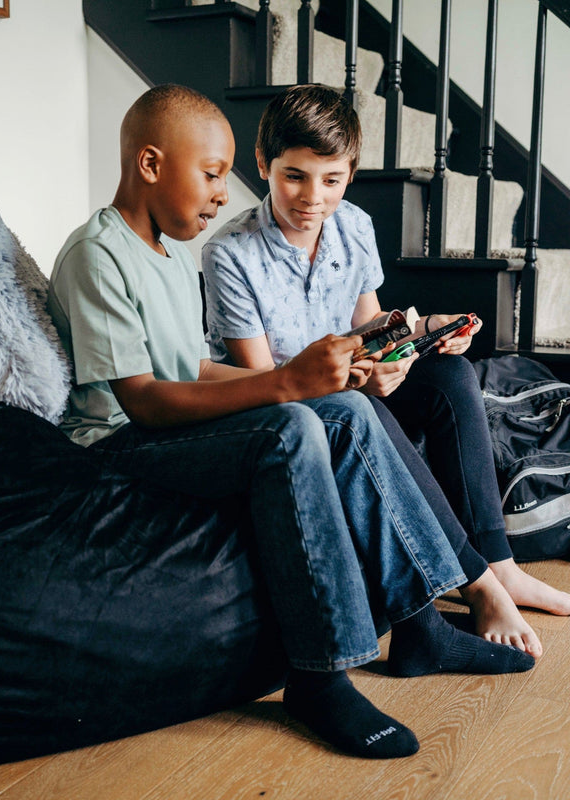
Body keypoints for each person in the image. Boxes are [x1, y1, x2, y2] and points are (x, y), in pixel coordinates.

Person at [47, 84, 534, 760]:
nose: (223, 193)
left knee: (342, 412)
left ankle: (420, 625)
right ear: (151, 165)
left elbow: (191, 368)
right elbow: (145, 402)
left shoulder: (165, 249)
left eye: (224, 175)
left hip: (163, 424)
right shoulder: (99, 254)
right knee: (295, 426)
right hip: (118, 445)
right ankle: (318, 676)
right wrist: (282, 386)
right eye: (212, 174)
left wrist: (322, 374)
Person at [201, 83, 570, 659]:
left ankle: (501, 560)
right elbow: (264, 383)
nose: (312, 198)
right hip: (295, 404)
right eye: (294, 176)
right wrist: (363, 379)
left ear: (350, 174)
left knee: (452, 377)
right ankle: (476, 583)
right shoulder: (229, 254)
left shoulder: (354, 225)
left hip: (354, 380)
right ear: (263, 165)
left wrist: (424, 333)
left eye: (332, 180)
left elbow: (370, 326)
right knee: (363, 404)